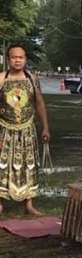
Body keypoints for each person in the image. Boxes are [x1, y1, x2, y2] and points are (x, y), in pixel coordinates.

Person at [0, 45, 50, 216]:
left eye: (21, 57)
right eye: (14, 57)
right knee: (2, 165)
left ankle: (29, 204)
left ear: (25, 59)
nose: (17, 60)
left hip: (28, 129)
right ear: (8, 59)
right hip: (5, 129)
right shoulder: (1, 78)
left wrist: (45, 127)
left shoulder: (32, 79)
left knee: (29, 164)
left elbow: (40, 103)